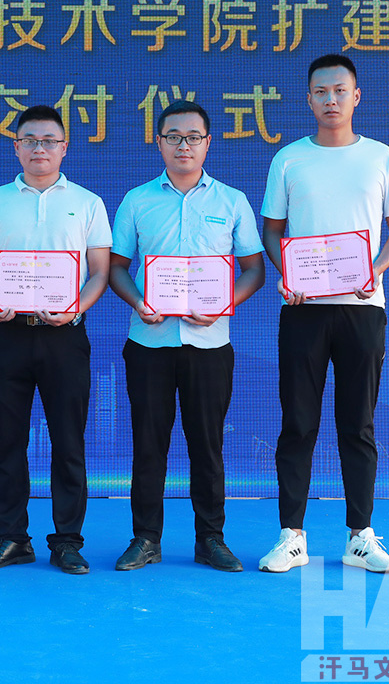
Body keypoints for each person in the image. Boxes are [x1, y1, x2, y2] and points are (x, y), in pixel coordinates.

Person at [258, 54, 389, 574]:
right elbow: (272, 232)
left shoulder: (380, 157)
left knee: (358, 425)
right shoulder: (289, 160)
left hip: (363, 308)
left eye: (340, 90)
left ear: (356, 96)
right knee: (298, 424)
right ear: (308, 99)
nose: (331, 100)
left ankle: (360, 537)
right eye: (321, 92)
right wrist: (288, 273)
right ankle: (292, 536)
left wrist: (375, 269)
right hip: (303, 310)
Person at [109, 100, 265, 573]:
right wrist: (139, 301)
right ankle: (145, 538)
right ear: (158, 142)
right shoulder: (137, 200)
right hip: (149, 341)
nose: (183, 145)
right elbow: (116, 268)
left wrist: (224, 304)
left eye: (193, 137)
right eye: (173, 136)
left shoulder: (231, 201)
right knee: (148, 445)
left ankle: (211, 539)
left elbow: (254, 269)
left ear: (208, 143)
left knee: (208, 446)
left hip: (210, 344)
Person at [0, 105, 112, 575]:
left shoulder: (87, 202)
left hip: (65, 337)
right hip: (8, 335)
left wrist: (76, 308)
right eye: (29, 140)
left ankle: (67, 541)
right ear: (16, 147)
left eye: (49, 141)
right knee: (9, 444)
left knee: (68, 443)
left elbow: (100, 271)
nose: (39, 149)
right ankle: (12, 538)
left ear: (64, 147)